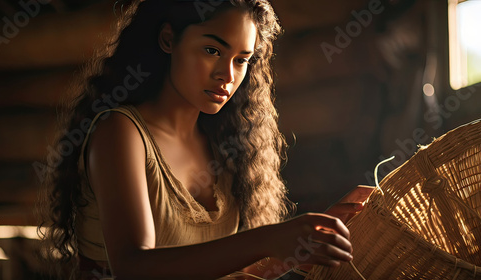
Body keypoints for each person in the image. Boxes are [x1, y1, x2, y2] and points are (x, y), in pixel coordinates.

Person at [38, 0, 370, 279]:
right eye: (212, 50)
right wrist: (269, 239)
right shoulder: (121, 133)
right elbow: (134, 268)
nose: (227, 75)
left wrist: (307, 239)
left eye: (241, 60)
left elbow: (223, 269)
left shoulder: (222, 142)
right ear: (168, 39)